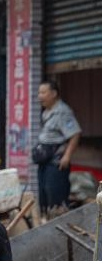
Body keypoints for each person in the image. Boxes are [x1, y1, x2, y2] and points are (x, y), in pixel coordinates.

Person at [36, 80, 82, 214]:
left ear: (54, 94)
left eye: (43, 92)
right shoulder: (46, 112)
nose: (40, 96)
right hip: (45, 161)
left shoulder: (63, 111)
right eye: (39, 93)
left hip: (57, 163)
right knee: (44, 195)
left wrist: (67, 156)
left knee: (55, 197)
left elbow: (75, 133)